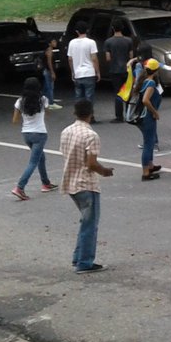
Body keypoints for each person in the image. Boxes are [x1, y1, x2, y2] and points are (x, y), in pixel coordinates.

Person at [60, 99, 114, 274]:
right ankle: (84, 262)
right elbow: (91, 163)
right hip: (86, 183)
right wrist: (104, 171)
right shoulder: (91, 136)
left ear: (74, 112)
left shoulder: (66, 132)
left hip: (70, 181)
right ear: (91, 113)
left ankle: (79, 257)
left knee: (86, 222)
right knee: (90, 224)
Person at [11, 77, 57, 201]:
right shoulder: (43, 100)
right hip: (40, 134)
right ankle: (20, 187)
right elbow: (47, 113)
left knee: (41, 158)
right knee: (34, 162)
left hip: (26, 134)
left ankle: (46, 183)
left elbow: (15, 120)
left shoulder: (20, 101)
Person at [136, 58, 163, 181]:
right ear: (155, 71)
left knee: (150, 141)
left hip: (142, 116)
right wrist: (155, 112)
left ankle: (150, 165)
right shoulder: (151, 84)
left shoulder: (143, 81)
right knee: (148, 143)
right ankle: (146, 171)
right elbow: (145, 100)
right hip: (147, 117)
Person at [67, 21, 100, 117]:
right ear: (87, 30)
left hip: (78, 73)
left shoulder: (72, 43)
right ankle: (89, 115)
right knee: (89, 96)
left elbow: (70, 59)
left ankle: (79, 114)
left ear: (77, 31)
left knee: (79, 96)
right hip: (89, 72)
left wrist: (72, 72)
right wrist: (97, 72)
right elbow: (94, 58)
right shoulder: (91, 42)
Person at [103, 21, 133, 122]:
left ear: (113, 29)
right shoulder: (128, 41)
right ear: (122, 28)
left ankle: (119, 116)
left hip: (115, 70)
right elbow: (131, 56)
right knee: (128, 91)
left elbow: (107, 58)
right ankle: (130, 113)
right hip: (126, 69)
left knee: (118, 93)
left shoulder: (108, 42)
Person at [41, 37, 62, 109]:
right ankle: (51, 103)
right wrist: (52, 72)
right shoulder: (49, 51)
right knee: (50, 87)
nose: (55, 43)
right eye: (53, 42)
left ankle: (42, 102)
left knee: (46, 87)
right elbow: (49, 63)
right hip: (48, 71)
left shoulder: (49, 50)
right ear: (49, 43)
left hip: (46, 71)